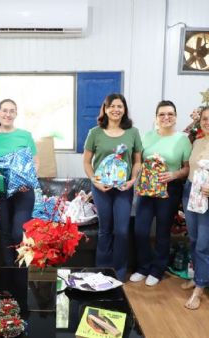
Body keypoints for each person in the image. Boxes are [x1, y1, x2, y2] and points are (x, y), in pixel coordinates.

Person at [130, 100, 191, 286]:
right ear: (156, 118)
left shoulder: (183, 139)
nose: (166, 117)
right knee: (140, 231)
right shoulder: (146, 137)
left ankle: (157, 270)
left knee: (163, 231)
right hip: (146, 189)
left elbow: (188, 168)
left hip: (170, 190)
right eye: (162, 114)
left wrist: (174, 174)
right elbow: (138, 161)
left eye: (170, 114)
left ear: (175, 117)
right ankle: (143, 267)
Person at [83, 93, 142, 281]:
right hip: (101, 190)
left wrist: (133, 179)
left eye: (120, 106)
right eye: (112, 106)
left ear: (124, 110)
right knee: (105, 230)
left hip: (124, 189)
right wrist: (95, 181)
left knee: (122, 230)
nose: (116, 109)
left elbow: (137, 161)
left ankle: (119, 271)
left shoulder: (133, 132)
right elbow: (86, 162)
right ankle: (102, 271)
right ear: (105, 109)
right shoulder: (95, 132)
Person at [181, 105, 209, 310]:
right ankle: (197, 276)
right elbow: (181, 141)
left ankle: (200, 287)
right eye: (205, 119)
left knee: (205, 243)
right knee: (193, 238)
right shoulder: (196, 141)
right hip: (190, 192)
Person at [0, 99, 39, 266]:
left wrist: (28, 179)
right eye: (4, 110)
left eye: (11, 111)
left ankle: (23, 268)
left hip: (23, 192)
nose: (7, 114)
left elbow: (35, 162)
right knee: (5, 233)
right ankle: (9, 270)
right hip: (1, 192)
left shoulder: (25, 135)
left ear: (16, 114)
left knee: (19, 232)